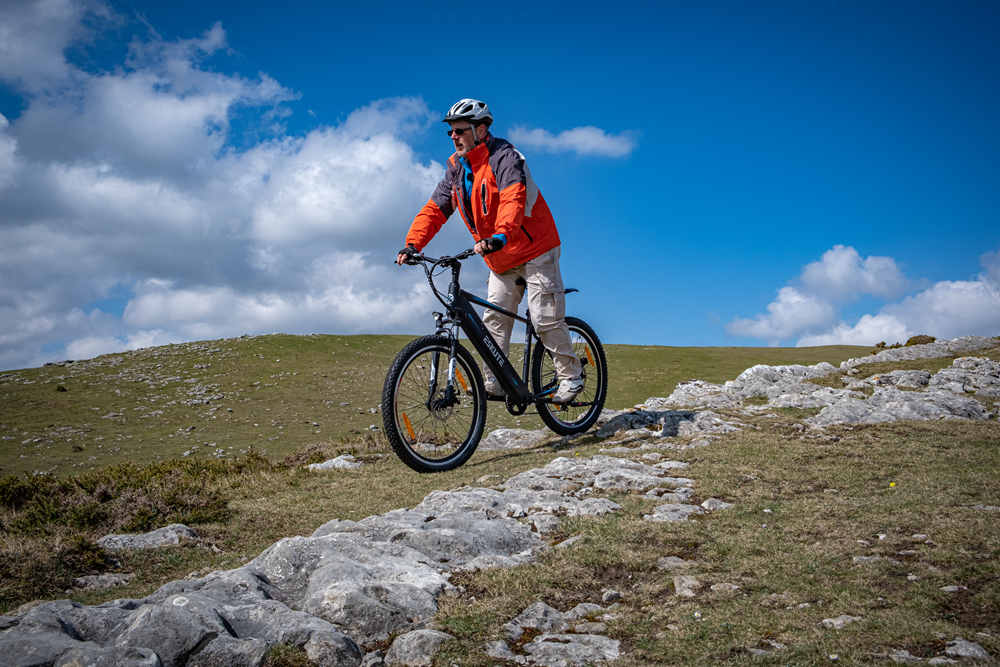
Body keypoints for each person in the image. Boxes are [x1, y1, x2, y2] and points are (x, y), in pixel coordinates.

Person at [396, 98, 583, 403]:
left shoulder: (506, 158)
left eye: (460, 130)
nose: (454, 137)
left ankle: (570, 377)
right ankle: (494, 381)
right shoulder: (456, 169)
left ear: (481, 130)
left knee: (544, 319)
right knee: (494, 320)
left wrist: (500, 235)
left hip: (535, 249)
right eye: (451, 132)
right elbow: (435, 209)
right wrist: (413, 243)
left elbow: (513, 200)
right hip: (499, 258)